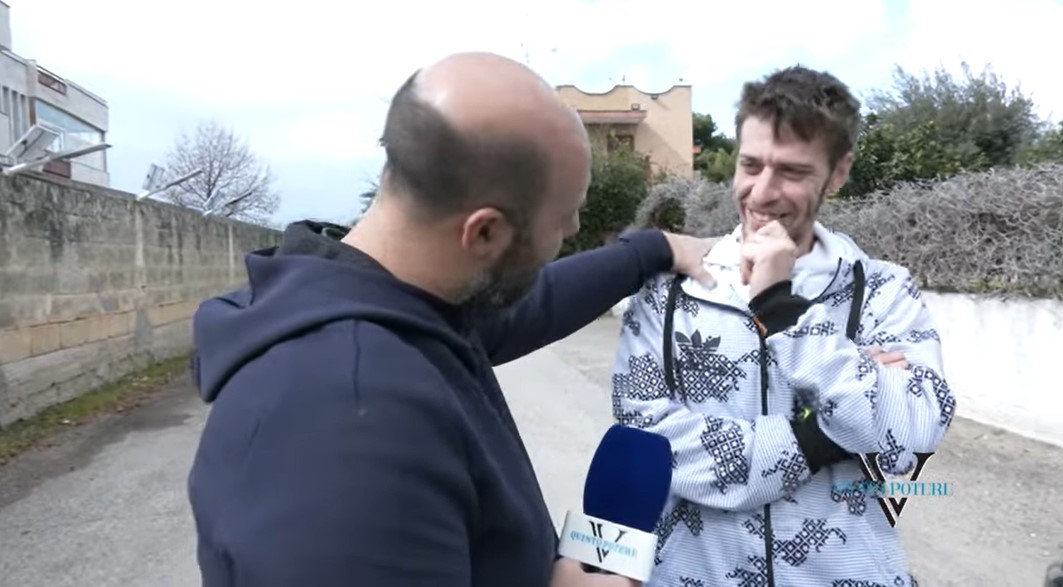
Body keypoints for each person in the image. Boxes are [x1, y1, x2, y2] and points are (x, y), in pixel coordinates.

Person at [185, 51, 716, 587]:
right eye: (562, 221)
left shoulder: (389, 309)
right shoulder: (350, 419)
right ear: (483, 233)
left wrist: (653, 249)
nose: (573, 230)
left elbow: (532, 304)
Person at [610, 65, 958, 587]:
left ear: (837, 174)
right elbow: (648, 447)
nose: (761, 193)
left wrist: (781, 310)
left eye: (792, 172)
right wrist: (821, 435)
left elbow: (911, 432)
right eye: (750, 165)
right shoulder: (669, 291)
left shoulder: (882, 289)